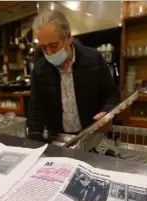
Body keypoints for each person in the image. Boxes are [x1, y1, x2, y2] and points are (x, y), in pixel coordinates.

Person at [27, 10, 120, 142]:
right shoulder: (39, 69)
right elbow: (35, 107)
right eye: (43, 48)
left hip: (92, 136)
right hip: (59, 139)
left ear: (68, 37)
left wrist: (107, 113)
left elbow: (111, 94)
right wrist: (34, 137)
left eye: (54, 46)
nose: (48, 53)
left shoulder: (94, 59)